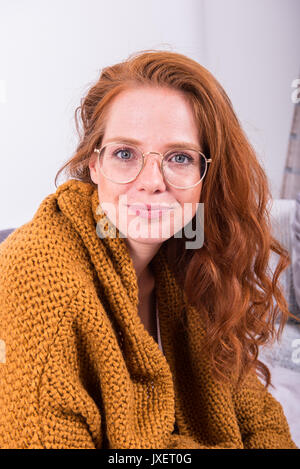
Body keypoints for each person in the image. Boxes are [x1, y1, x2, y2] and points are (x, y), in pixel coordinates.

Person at [0, 49, 298, 449]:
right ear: (94, 164)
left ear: (206, 175)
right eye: (125, 153)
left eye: (179, 157)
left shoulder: (194, 254)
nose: (152, 181)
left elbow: (262, 423)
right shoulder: (36, 268)